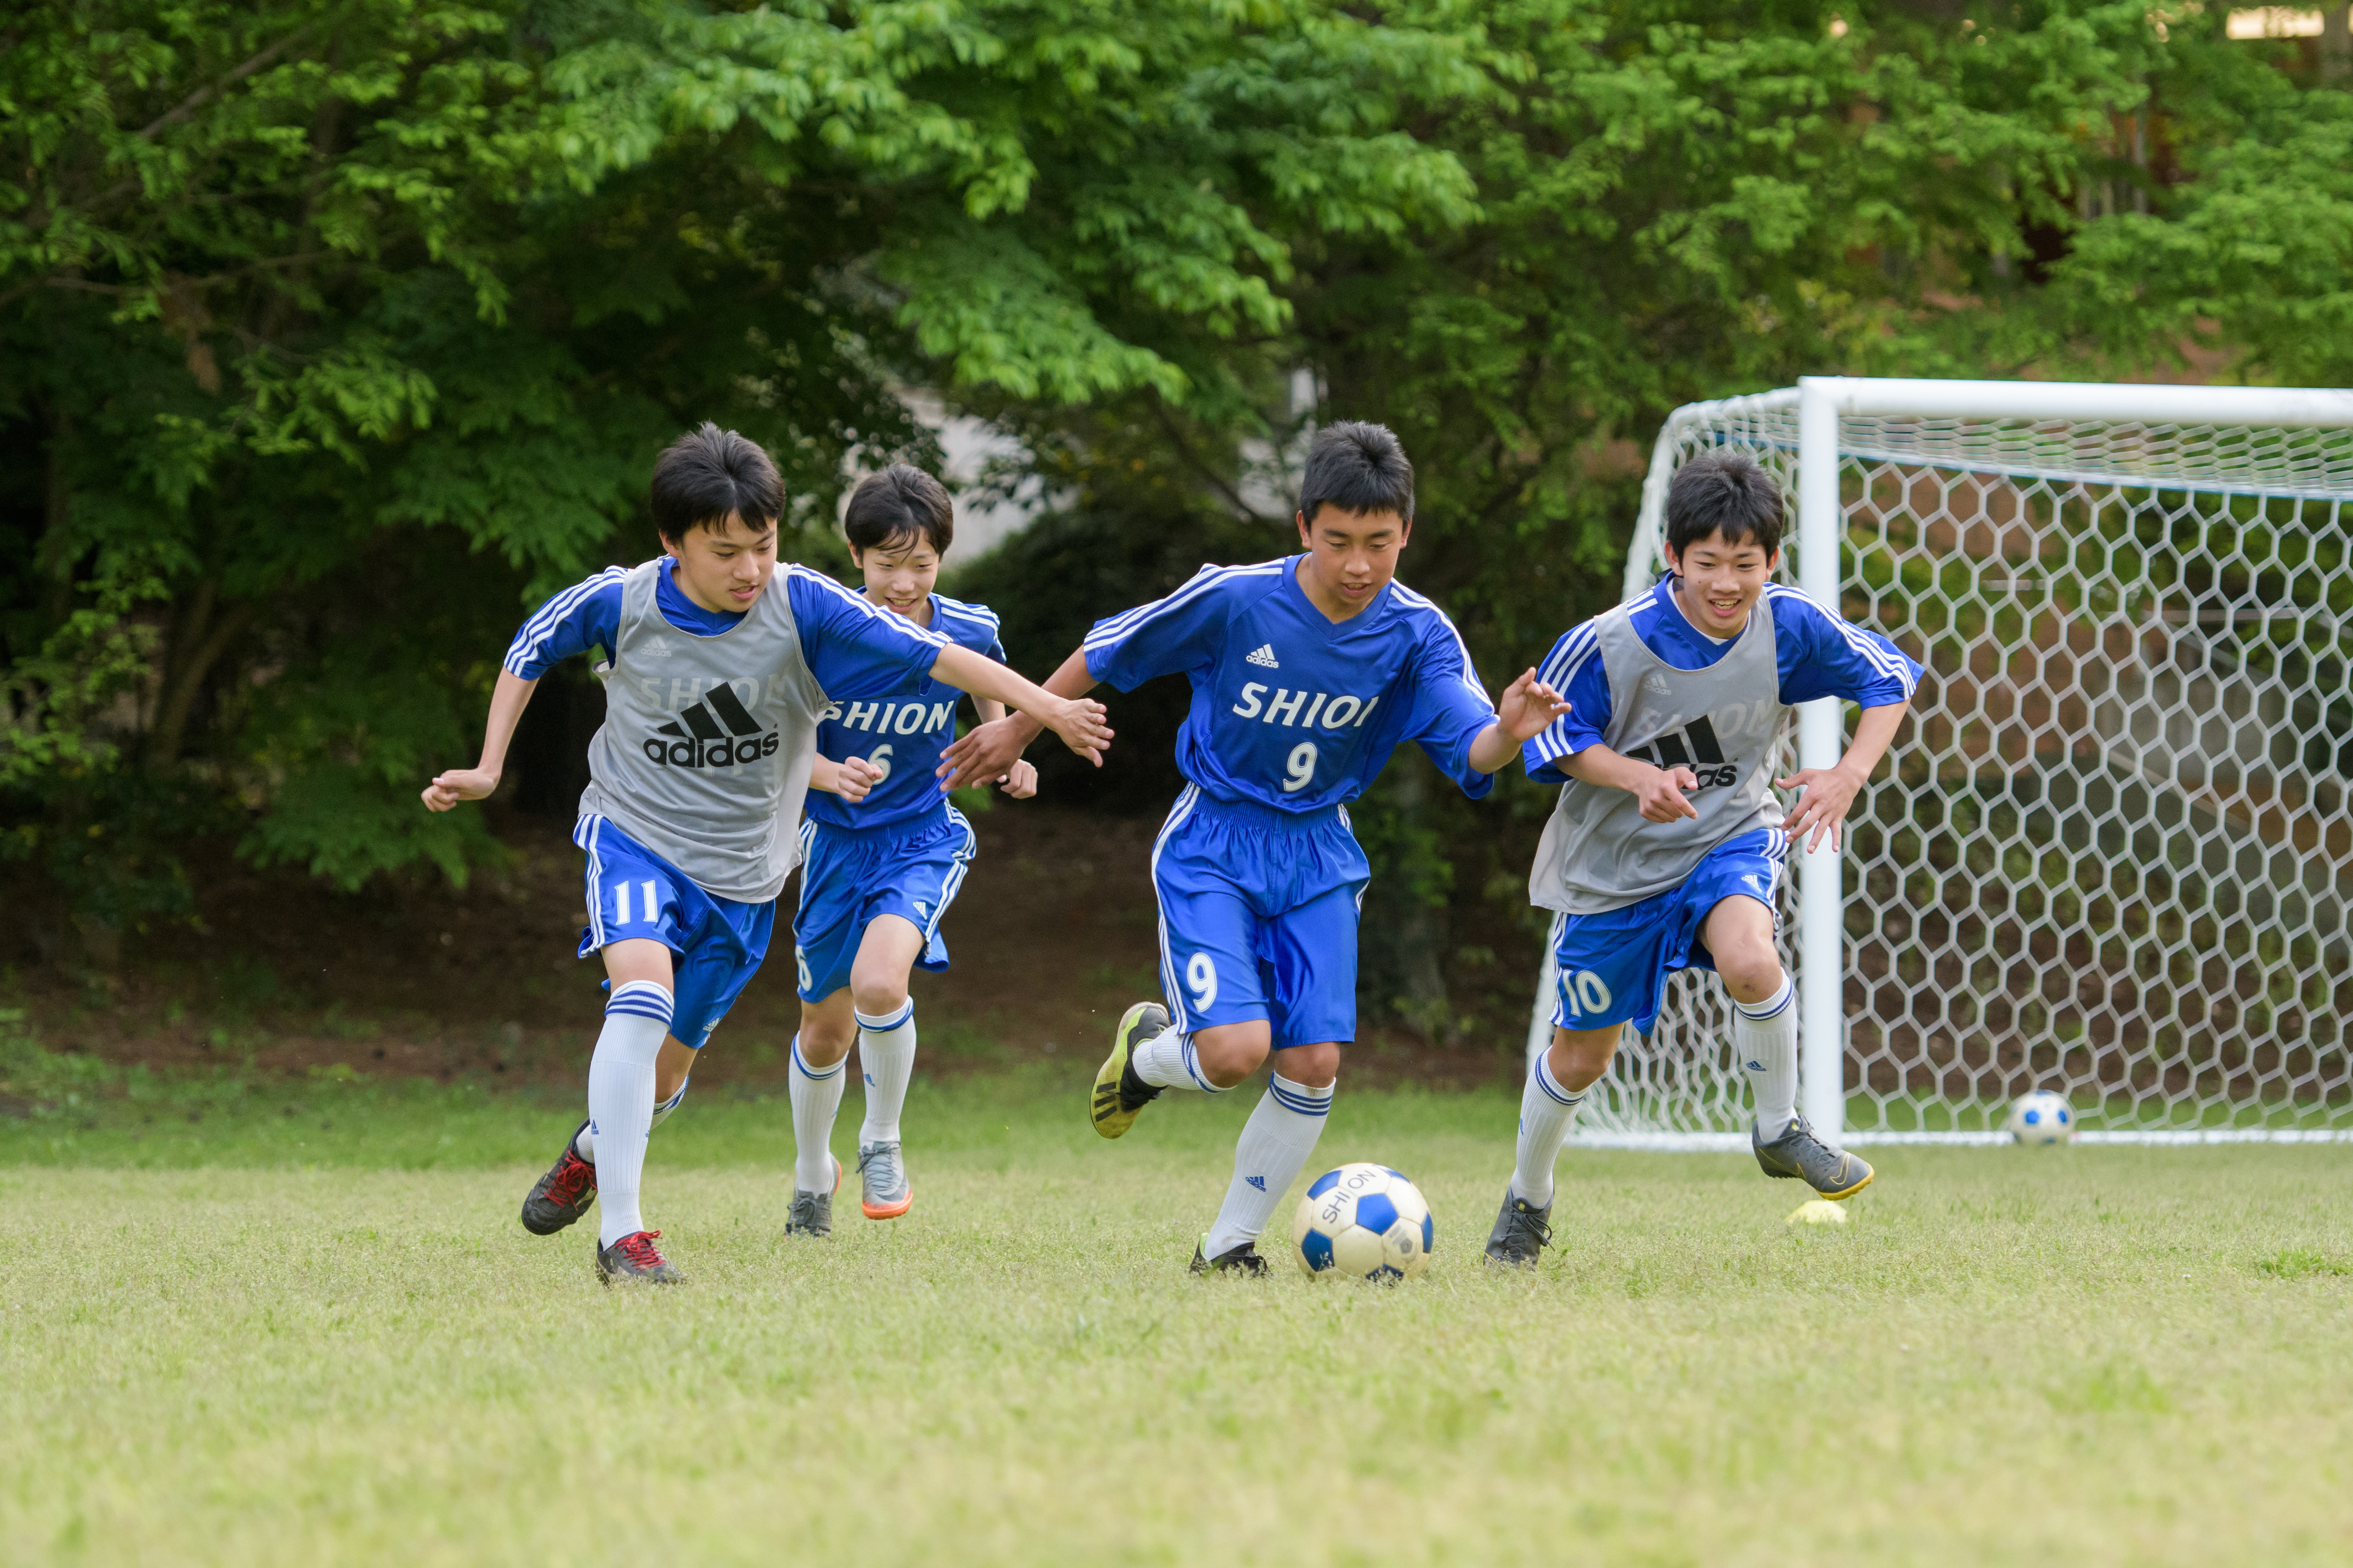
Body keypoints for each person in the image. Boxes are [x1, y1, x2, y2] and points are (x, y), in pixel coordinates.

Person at [421, 425, 1110, 1284]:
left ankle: (596, 1146)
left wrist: (1043, 711)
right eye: (726, 552)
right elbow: (531, 646)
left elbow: (937, 654)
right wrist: (490, 766)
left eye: (764, 544)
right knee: (639, 995)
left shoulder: (807, 602)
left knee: (666, 1077)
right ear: (673, 544)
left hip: (748, 871)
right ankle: (623, 1237)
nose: (750, 568)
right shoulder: (620, 601)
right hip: (634, 832)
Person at [940, 421, 1568, 1274]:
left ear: (1406, 534)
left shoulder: (1418, 633)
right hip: (1214, 841)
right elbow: (1105, 648)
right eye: (1340, 540)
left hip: (1319, 852)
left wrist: (1508, 727)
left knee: (1312, 1061)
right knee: (1234, 1053)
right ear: (1305, 525)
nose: (1359, 565)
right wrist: (1019, 730)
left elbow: (1473, 750)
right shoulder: (1236, 598)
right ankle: (1149, 1054)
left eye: (1380, 544)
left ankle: (1227, 1244)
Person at [1484, 451, 1921, 1270]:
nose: (1728, 582)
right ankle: (1528, 1197)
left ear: (1772, 560)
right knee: (1583, 1057)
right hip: (1610, 867)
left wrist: (1848, 773)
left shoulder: (1789, 622)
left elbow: (1890, 677)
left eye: (1746, 564)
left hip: (1729, 833)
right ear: (1674, 558)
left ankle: (1776, 1126)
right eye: (1709, 563)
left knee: (1752, 958)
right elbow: (1551, 739)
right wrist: (1637, 777)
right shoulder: (1609, 643)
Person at [781, 464, 1039, 1237]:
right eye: (887, 562)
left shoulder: (968, 626)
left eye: (919, 563)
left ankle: (882, 1139)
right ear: (856, 556)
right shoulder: (819, 631)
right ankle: (809, 1175)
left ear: (941, 561)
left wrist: (1007, 750)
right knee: (823, 1033)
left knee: (880, 984)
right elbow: (781, 737)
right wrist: (826, 773)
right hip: (831, 844)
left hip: (922, 837)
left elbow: (988, 692)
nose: (902, 580)